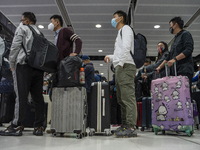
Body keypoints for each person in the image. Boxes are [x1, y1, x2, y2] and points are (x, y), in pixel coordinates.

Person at [0, 12, 45, 136]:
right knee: (37, 98)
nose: (21, 21)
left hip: (24, 66)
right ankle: (39, 126)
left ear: (27, 20)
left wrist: (12, 64)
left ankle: (17, 125)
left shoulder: (22, 28)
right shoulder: (40, 33)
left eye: (22, 19)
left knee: (21, 96)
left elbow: (15, 46)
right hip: (38, 69)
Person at [104, 10, 137, 137]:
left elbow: (127, 47)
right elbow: (120, 51)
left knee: (127, 97)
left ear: (121, 18)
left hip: (125, 66)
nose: (113, 20)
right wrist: (111, 57)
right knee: (121, 98)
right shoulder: (120, 32)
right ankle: (125, 125)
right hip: (120, 66)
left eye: (114, 17)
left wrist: (121, 63)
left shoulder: (126, 29)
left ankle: (131, 126)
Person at [156, 17, 194, 95]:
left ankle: (188, 107)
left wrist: (175, 59)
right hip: (176, 71)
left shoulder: (185, 34)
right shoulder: (176, 38)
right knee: (178, 94)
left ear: (175, 24)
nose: (170, 28)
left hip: (185, 69)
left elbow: (188, 50)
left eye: (170, 25)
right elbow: (169, 56)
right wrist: (160, 67)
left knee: (185, 93)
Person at [81, 55, 95, 127]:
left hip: (87, 88)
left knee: (87, 106)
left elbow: (82, 76)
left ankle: (88, 123)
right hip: (89, 88)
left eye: (83, 61)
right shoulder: (90, 67)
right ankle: (88, 122)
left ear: (86, 60)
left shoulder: (88, 67)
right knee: (88, 105)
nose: (82, 63)